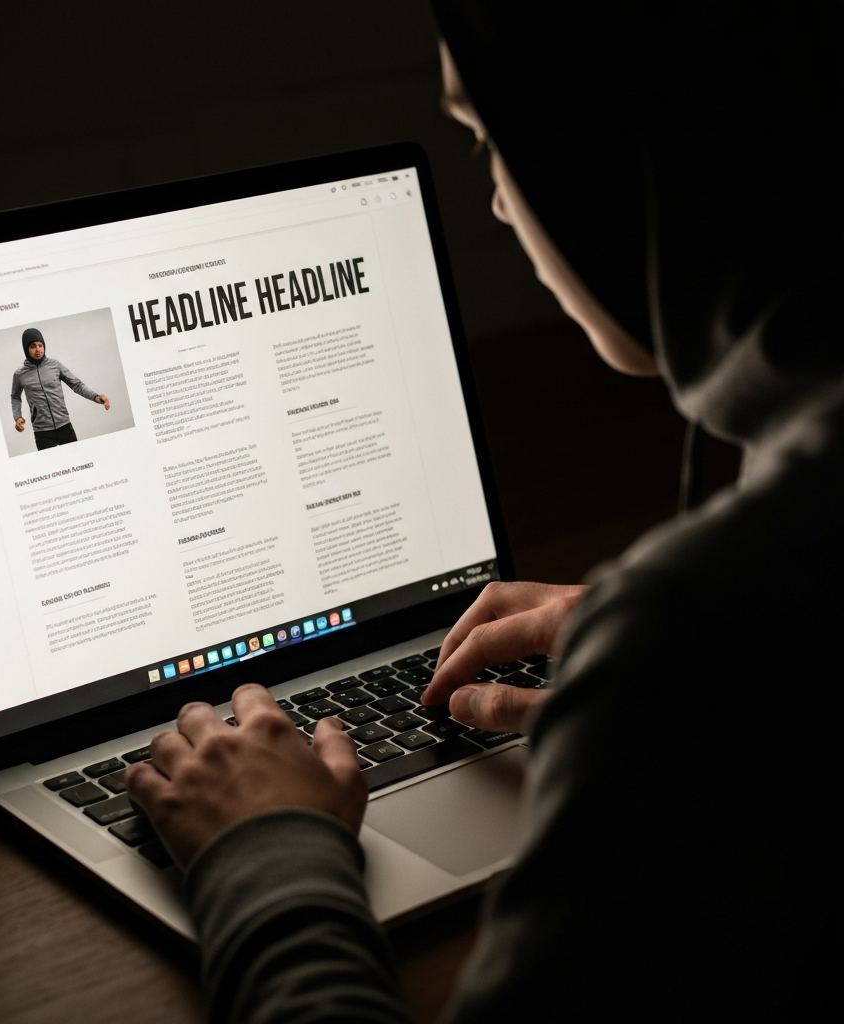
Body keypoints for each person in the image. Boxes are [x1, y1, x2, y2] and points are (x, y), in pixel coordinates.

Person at [125, 3, 840, 1020]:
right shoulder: (742, 630)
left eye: (484, 136)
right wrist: (657, 683)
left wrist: (267, 854)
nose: (500, 205)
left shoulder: (711, 640)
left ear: (599, 154)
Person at [10, 327, 110, 450]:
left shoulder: (55, 365)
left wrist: (95, 397)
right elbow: (15, 396)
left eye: (40, 345)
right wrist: (18, 417)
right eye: (33, 346)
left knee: (78, 460)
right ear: (26, 349)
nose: (38, 349)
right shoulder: (20, 374)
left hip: (64, 426)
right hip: (42, 431)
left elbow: (76, 385)